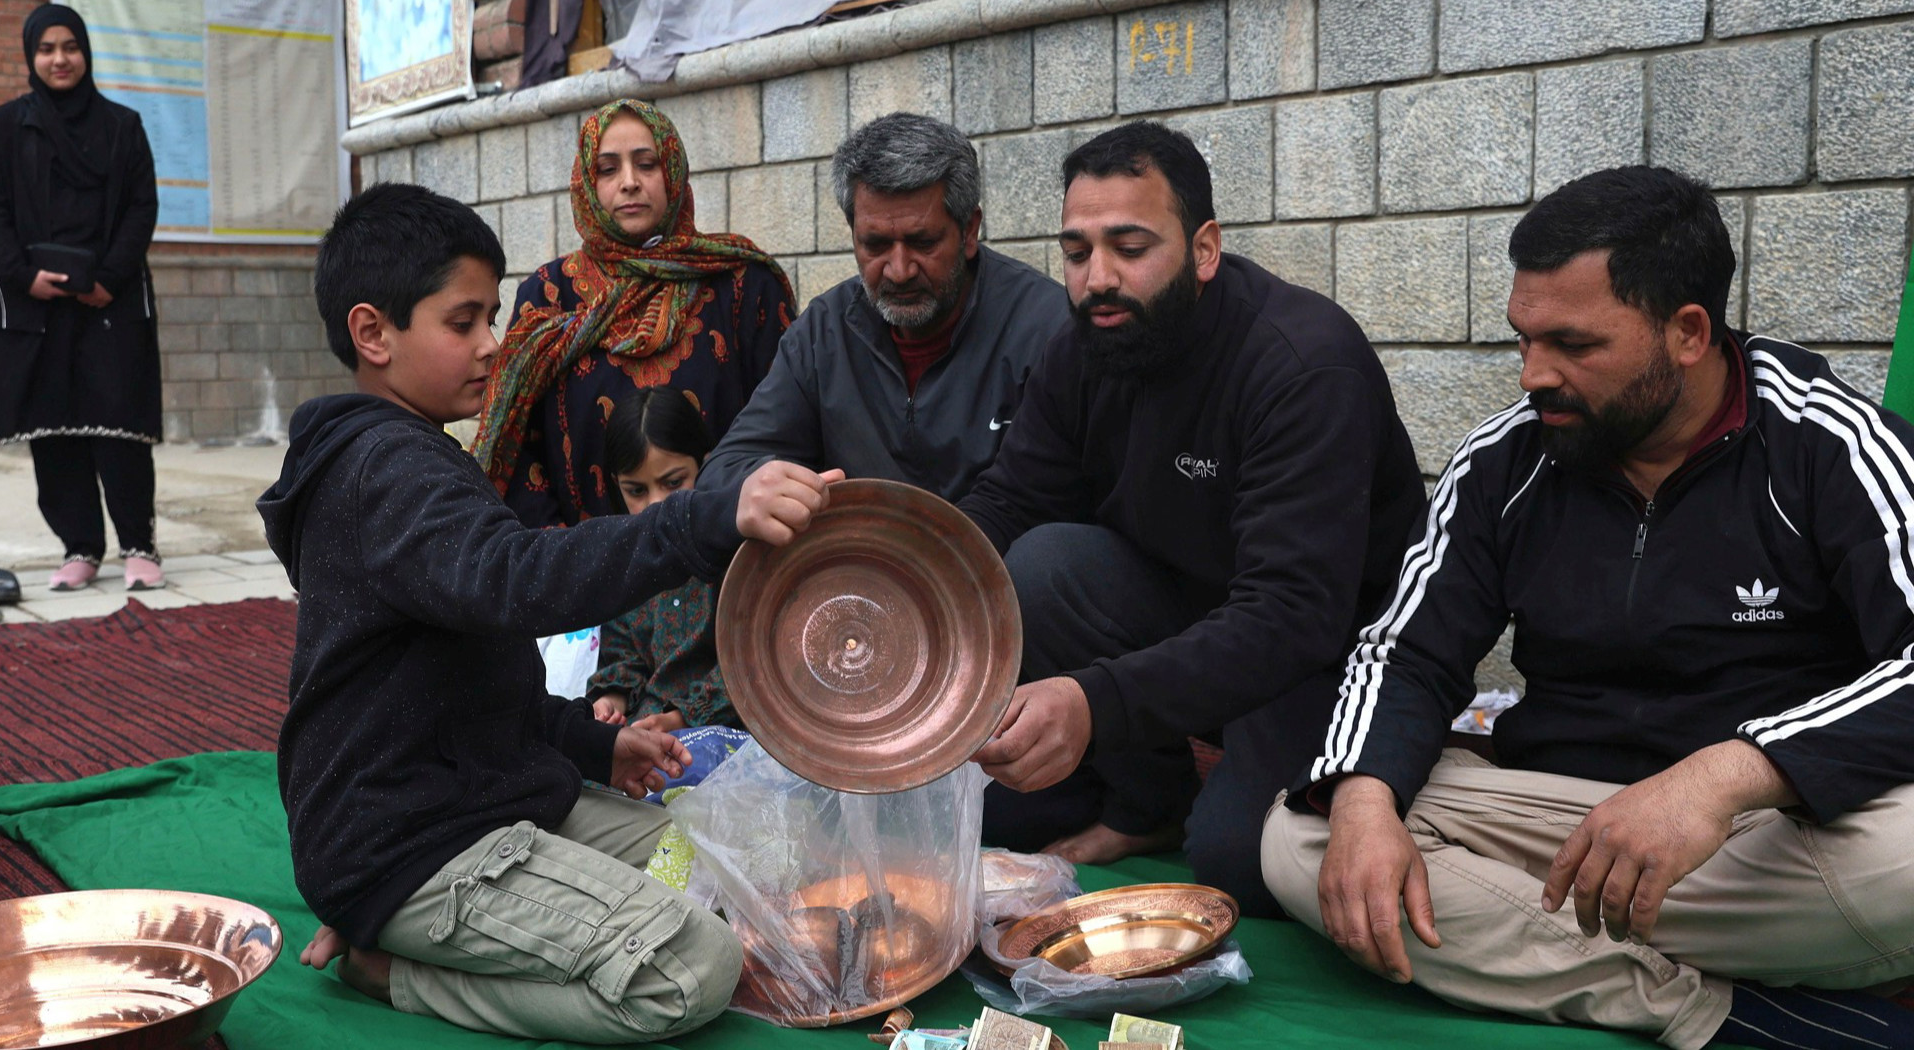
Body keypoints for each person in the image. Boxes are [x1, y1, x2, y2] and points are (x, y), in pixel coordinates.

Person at [1261, 166, 1914, 1050]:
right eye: (1522, 340)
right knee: (1305, 835)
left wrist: (1725, 775)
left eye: (1573, 345)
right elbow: (1403, 653)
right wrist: (1367, 805)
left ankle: (1559, 955)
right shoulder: (1504, 463)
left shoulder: (1828, 445)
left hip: (1767, 834)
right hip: (1563, 820)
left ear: (1687, 332)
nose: (1535, 376)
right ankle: (1712, 1008)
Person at [258, 182, 840, 1042]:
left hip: (482, 795)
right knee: (694, 965)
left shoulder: (413, 455)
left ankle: (411, 923)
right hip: (411, 839)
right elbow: (513, 577)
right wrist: (705, 511)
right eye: (464, 323)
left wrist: (594, 742)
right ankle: (399, 968)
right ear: (372, 333)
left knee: (718, 870)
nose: (493, 345)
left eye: (491, 316)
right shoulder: (382, 469)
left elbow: (453, 683)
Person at [959, 122, 1425, 913]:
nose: (1097, 278)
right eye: (1076, 253)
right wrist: (900, 573)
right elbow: (1012, 501)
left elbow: (1291, 617)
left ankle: (1198, 798)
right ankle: (1150, 802)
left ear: (1204, 249)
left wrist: (1094, 703)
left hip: (1326, 654)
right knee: (1039, 568)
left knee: (1239, 861)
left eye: (1130, 247)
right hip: (1187, 618)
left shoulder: (1304, 365)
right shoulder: (1085, 346)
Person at [699, 112, 1068, 503]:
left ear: (969, 230)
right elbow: (726, 470)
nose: (899, 271)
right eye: (875, 245)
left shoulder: (1046, 330)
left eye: (923, 243)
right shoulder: (822, 335)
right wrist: (774, 487)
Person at [475, 97, 794, 525]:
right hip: (587, 572)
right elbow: (518, 448)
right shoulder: (549, 294)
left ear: (674, 173)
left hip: (728, 559)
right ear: (587, 183)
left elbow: (783, 426)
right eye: (608, 169)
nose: (629, 182)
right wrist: (565, 564)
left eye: (647, 164)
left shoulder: (741, 282)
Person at [0, 5, 164, 592]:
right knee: (53, 431)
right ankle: (80, 548)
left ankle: (139, 545)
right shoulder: (5, 127)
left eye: (70, 47)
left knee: (118, 426)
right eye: (47, 49)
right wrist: (22, 274)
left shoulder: (122, 126)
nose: (59, 59)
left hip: (111, 300)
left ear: (86, 51)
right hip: (34, 304)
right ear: (31, 56)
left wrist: (108, 275)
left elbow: (140, 206)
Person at [588, 388, 736, 733]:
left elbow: (753, 663)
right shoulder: (624, 565)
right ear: (616, 486)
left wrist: (681, 719)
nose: (657, 505)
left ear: (706, 464)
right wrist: (610, 702)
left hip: (727, 736)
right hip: (645, 731)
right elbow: (624, 658)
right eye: (636, 491)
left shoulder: (736, 558)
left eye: (673, 483)